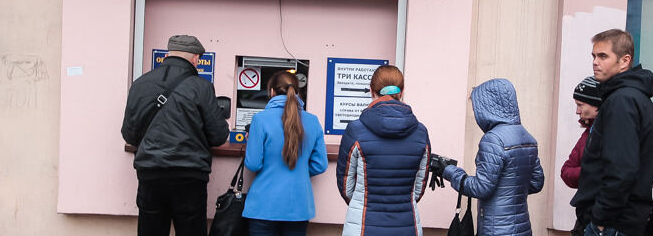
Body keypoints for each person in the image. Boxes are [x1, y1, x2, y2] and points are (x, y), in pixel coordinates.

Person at [120, 34, 229, 236]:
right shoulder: (201, 87)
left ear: (169, 54)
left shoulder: (140, 84)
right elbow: (219, 136)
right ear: (195, 58)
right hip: (189, 175)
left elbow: (129, 135)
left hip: (150, 174)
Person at [572, 28, 653, 236]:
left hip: (613, 225)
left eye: (603, 56)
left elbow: (621, 169)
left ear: (624, 61)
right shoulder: (630, 96)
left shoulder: (622, 101)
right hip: (620, 221)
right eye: (594, 56)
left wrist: (600, 221)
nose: (595, 62)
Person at [437, 78, 545, 236]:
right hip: (523, 229)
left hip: (496, 229)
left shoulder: (493, 139)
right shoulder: (527, 137)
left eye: (476, 107)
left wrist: (449, 171)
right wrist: (508, 191)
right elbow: (536, 183)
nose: (475, 113)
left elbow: (481, 188)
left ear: (488, 106)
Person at [336, 65, 432, 236]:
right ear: (402, 92)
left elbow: (346, 187)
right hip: (407, 225)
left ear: (372, 91)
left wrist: (361, 202)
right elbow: (419, 187)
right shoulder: (420, 132)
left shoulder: (355, 130)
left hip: (362, 226)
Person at [242, 70, 329, 236]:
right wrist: (298, 170)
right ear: (297, 91)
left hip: (263, 205)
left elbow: (253, 164)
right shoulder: (312, 121)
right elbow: (320, 165)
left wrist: (250, 142)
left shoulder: (260, 119)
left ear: (272, 91)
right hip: (299, 205)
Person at [561, 76, 603, 191]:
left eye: (580, 105)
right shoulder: (588, 132)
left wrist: (588, 171)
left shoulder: (607, 132)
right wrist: (589, 171)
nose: (577, 111)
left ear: (596, 104)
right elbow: (565, 170)